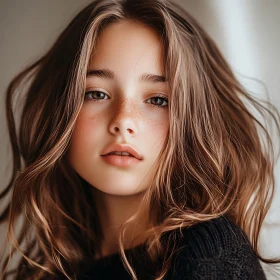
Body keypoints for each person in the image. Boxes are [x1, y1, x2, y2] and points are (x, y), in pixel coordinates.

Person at [1, 0, 280, 279]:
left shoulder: (210, 258)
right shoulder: (51, 269)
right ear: (57, 108)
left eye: (158, 100)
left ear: (197, 121)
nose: (123, 120)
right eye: (97, 94)